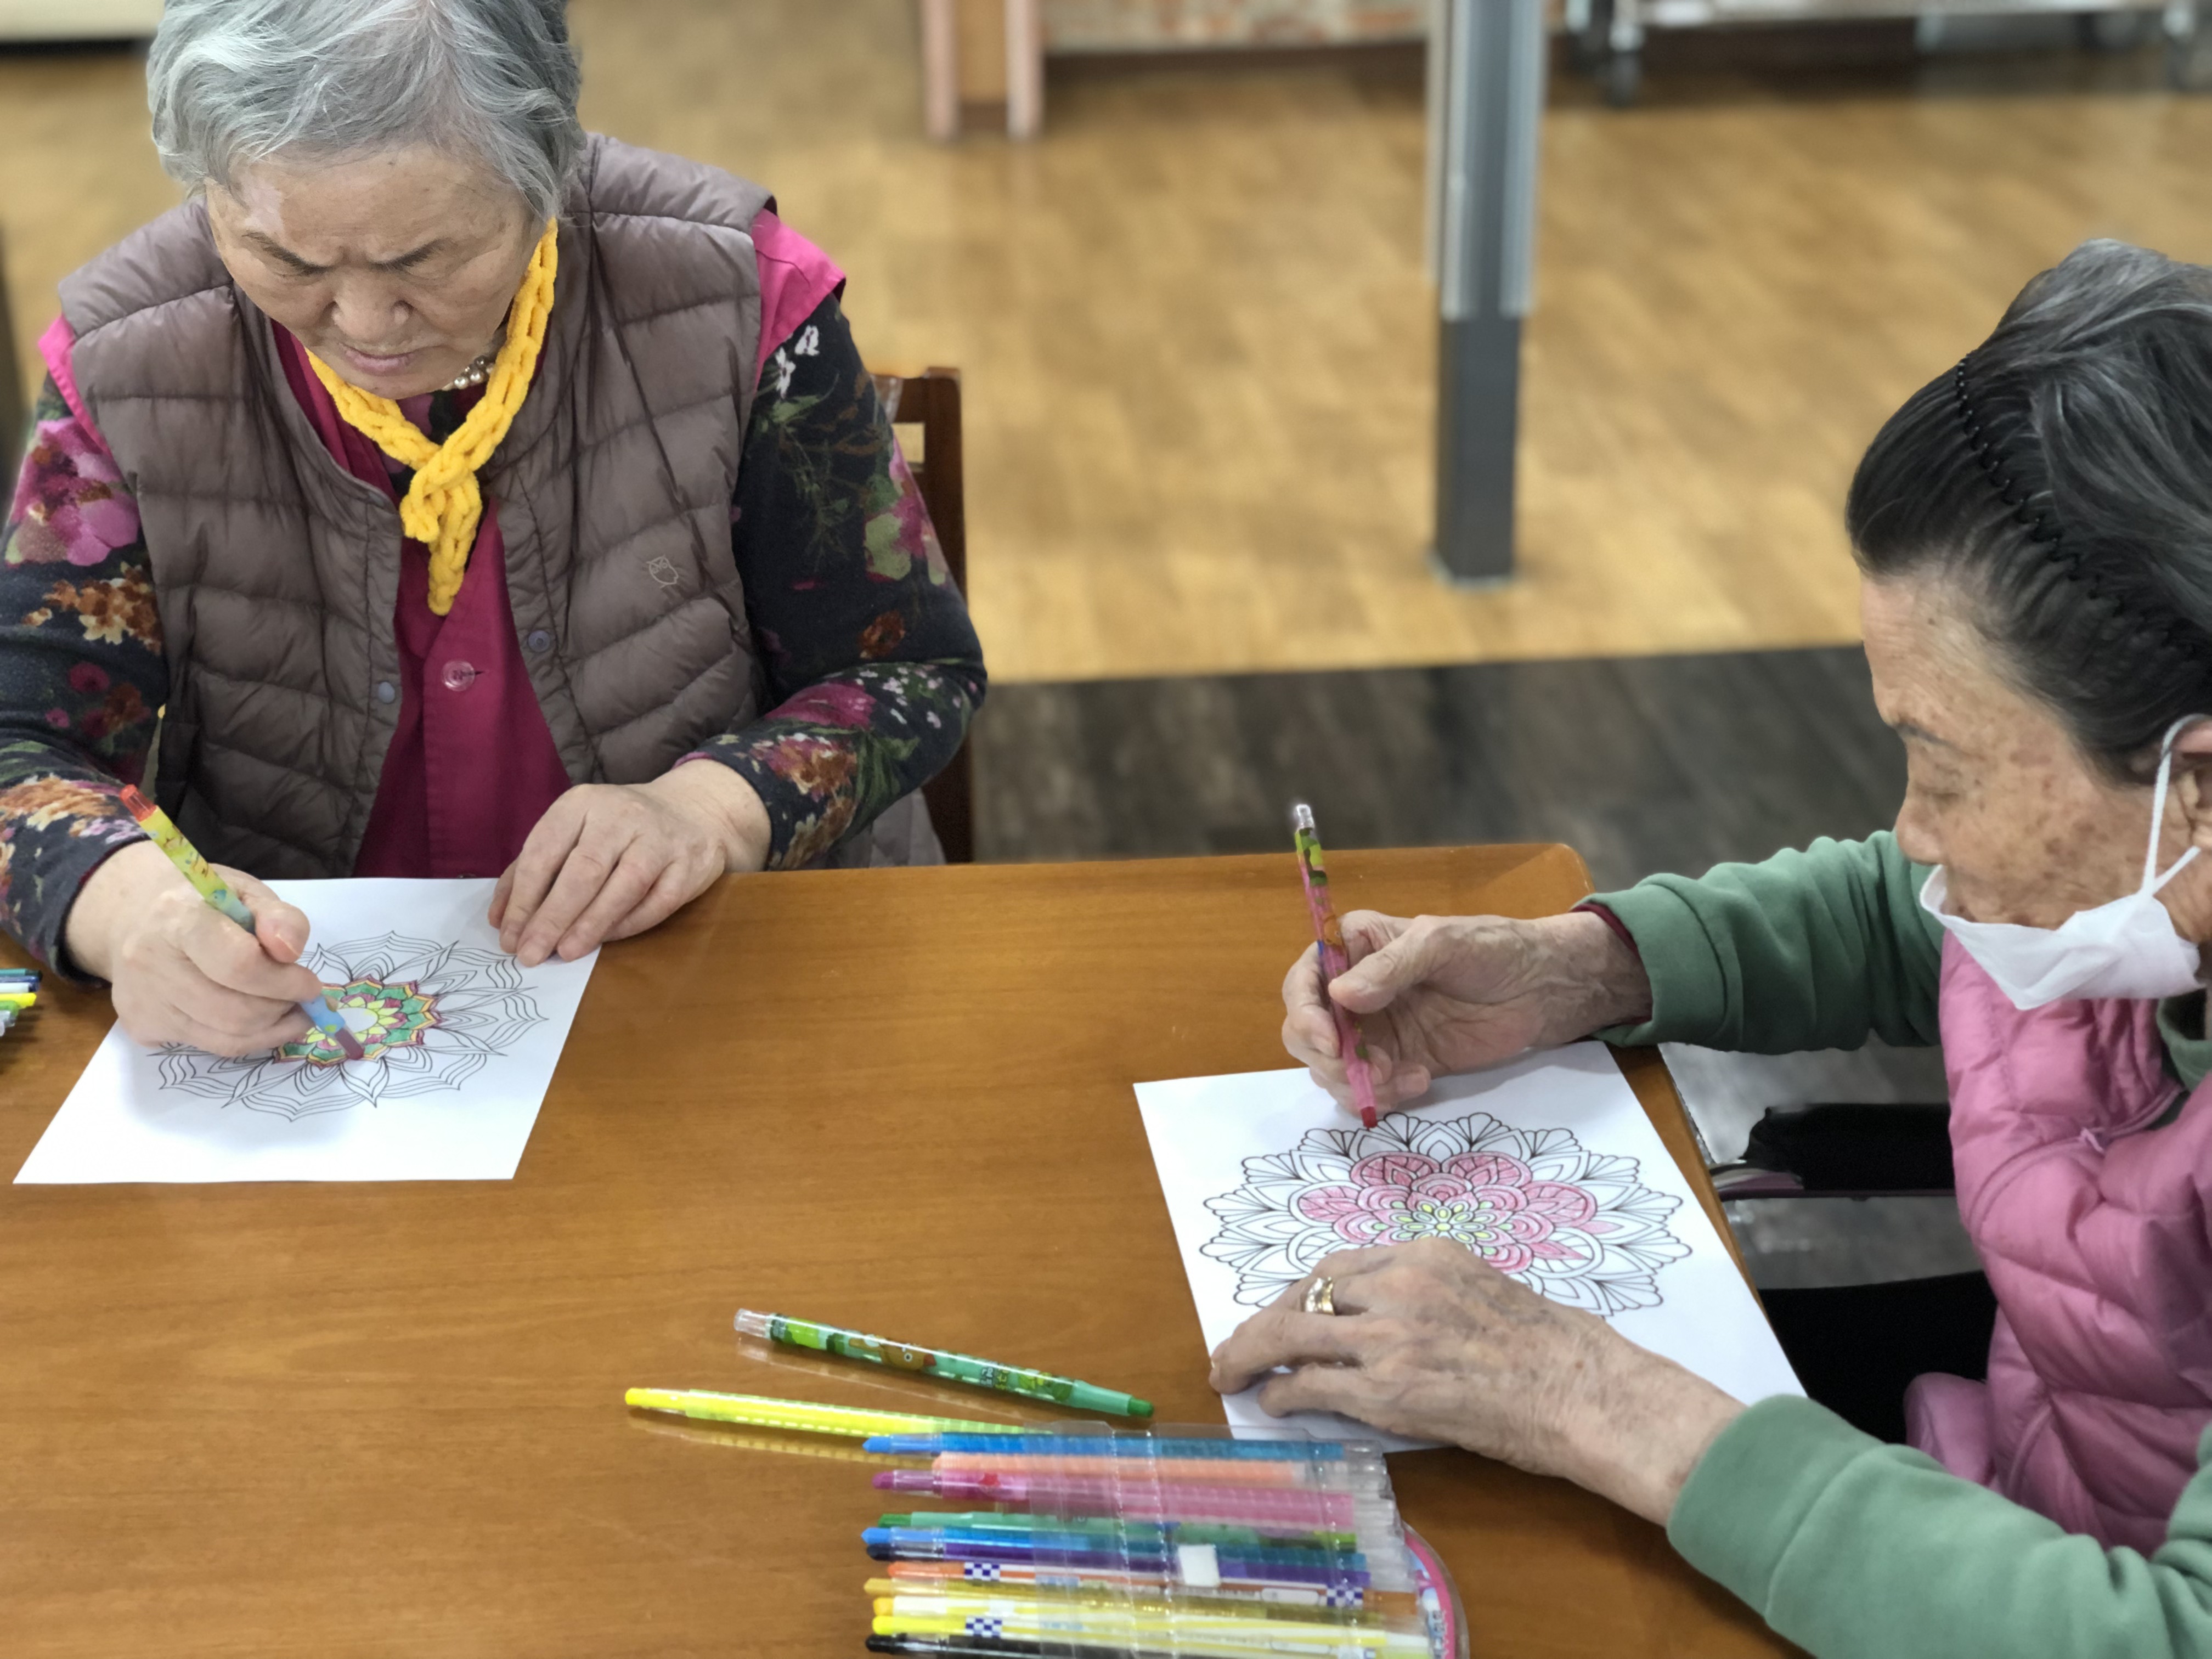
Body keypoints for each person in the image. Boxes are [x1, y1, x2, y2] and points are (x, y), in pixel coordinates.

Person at [1220, 239, 2212, 1657]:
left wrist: (1588, 1394)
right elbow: (1914, 919)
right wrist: (1578, 969)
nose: (1914, 831)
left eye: (1944, 765)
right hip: (2017, 1476)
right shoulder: (2123, 888)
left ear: (2196, 787)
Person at [0, 0, 983, 1057]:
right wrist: (128, 911)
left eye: (424, 259)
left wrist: (710, 812)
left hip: (713, 978)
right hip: (308, 1015)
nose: (365, 325)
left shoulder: (734, 299)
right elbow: (23, 742)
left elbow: (906, 670)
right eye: (289, 262)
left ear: (547, 170)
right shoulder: (127, 361)